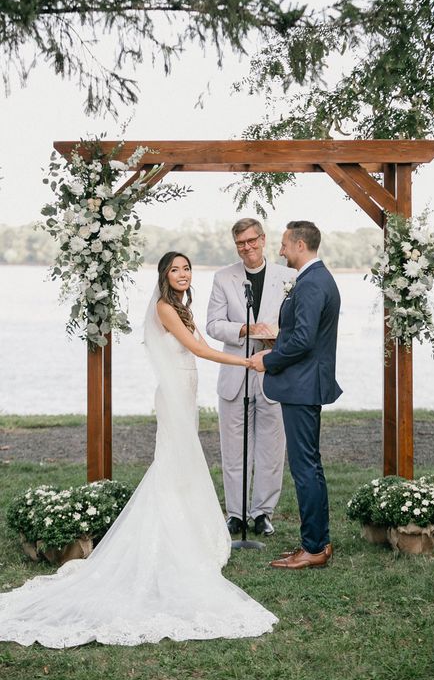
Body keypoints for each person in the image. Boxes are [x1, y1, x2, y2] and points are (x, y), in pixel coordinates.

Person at [0, 252, 277, 647]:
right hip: (175, 393)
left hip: (187, 389)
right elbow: (196, 350)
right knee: (173, 463)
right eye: (175, 270)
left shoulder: (181, 306)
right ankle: (169, 538)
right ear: (164, 276)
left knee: (183, 464)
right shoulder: (165, 308)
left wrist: (247, 337)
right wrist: (247, 364)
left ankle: (187, 532)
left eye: (186, 269)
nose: (182, 274)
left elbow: (202, 342)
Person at [249, 222, 342, 570]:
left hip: (303, 385)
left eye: (285, 243)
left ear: (300, 244)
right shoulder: (313, 280)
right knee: (309, 466)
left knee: (305, 468)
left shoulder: (313, 282)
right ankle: (317, 540)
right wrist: (279, 341)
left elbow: (304, 340)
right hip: (303, 382)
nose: (281, 250)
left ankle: (315, 547)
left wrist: (268, 360)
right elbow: (304, 334)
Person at [206, 218, 296, 537]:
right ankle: (236, 514)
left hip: (273, 373)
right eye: (241, 243)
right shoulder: (223, 278)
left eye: (251, 241)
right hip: (235, 374)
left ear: (262, 239)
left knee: (272, 448)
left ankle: (262, 513)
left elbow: (297, 325)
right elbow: (213, 325)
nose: (247, 248)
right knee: (234, 449)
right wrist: (244, 329)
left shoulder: (289, 277)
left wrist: (276, 337)